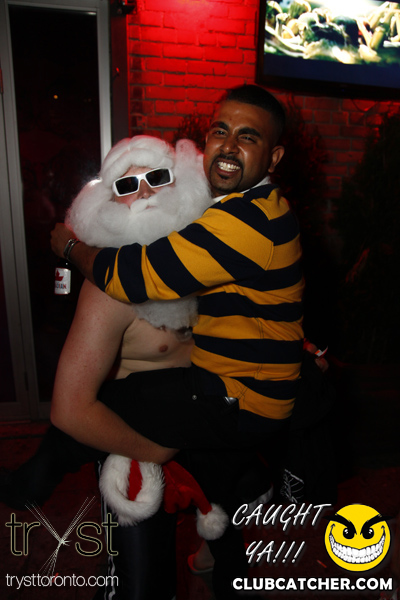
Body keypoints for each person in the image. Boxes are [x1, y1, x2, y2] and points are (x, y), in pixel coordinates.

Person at [50, 84, 304, 598]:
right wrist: (157, 451)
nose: (145, 192)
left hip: (215, 417)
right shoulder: (111, 282)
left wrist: (70, 247)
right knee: (144, 581)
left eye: (158, 177)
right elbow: (71, 408)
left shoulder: (217, 236)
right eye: (127, 184)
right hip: (140, 445)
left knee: (229, 548)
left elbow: (149, 277)